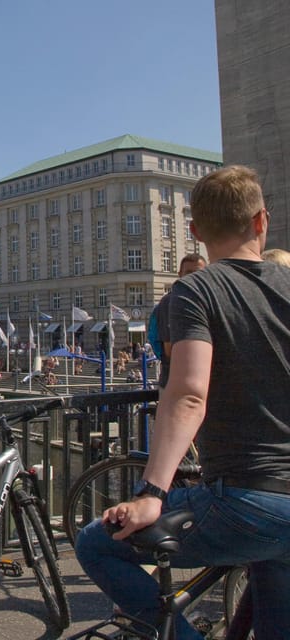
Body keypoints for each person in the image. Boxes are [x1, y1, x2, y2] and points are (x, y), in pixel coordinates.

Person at [75, 166, 290, 640]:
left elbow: (190, 392)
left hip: (247, 498)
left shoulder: (197, 290)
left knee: (96, 544)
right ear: (261, 222)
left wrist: (151, 494)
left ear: (193, 230)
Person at [147, 252, 207, 388]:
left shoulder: (205, 301)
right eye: (189, 272)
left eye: (198, 273)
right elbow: (169, 351)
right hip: (175, 383)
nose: (193, 277)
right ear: (180, 274)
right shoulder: (170, 302)